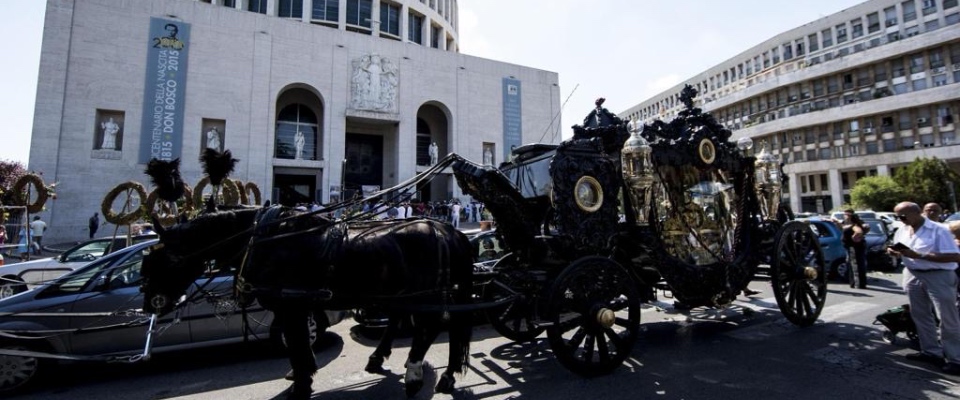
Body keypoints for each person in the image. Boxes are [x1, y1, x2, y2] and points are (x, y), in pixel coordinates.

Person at [887, 202, 960, 374]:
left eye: (903, 216)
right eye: (898, 216)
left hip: (938, 275)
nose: (900, 219)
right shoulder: (902, 229)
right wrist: (894, 252)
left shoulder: (939, 230)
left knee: (947, 318)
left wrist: (919, 255)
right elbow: (901, 247)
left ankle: (956, 359)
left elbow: (954, 256)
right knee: (920, 315)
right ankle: (931, 352)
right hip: (912, 273)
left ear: (917, 212)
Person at [840, 209, 869, 289]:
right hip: (850, 247)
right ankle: (853, 283)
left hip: (855, 247)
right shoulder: (846, 223)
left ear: (850, 216)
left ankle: (859, 284)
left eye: (846, 214)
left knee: (856, 266)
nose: (844, 216)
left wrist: (855, 237)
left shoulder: (854, 224)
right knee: (852, 265)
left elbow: (859, 231)